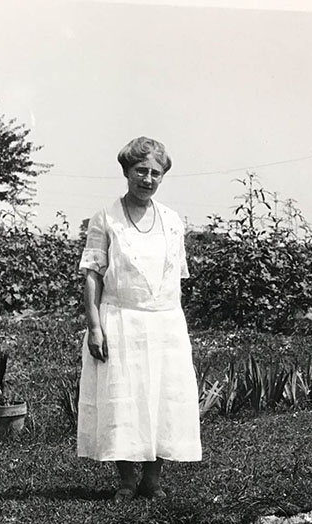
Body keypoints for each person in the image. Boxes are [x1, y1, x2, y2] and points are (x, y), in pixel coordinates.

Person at [77, 136, 202, 501]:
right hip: (119, 317)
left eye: (155, 173)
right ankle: (127, 482)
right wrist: (94, 326)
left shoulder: (172, 221)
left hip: (164, 321)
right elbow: (92, 273)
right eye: (140, 171)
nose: (147, 179)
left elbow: (171, 278)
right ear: (126, 172)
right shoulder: (106, 217)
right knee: (124, 396)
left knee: (162, 396)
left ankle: (153, 480)